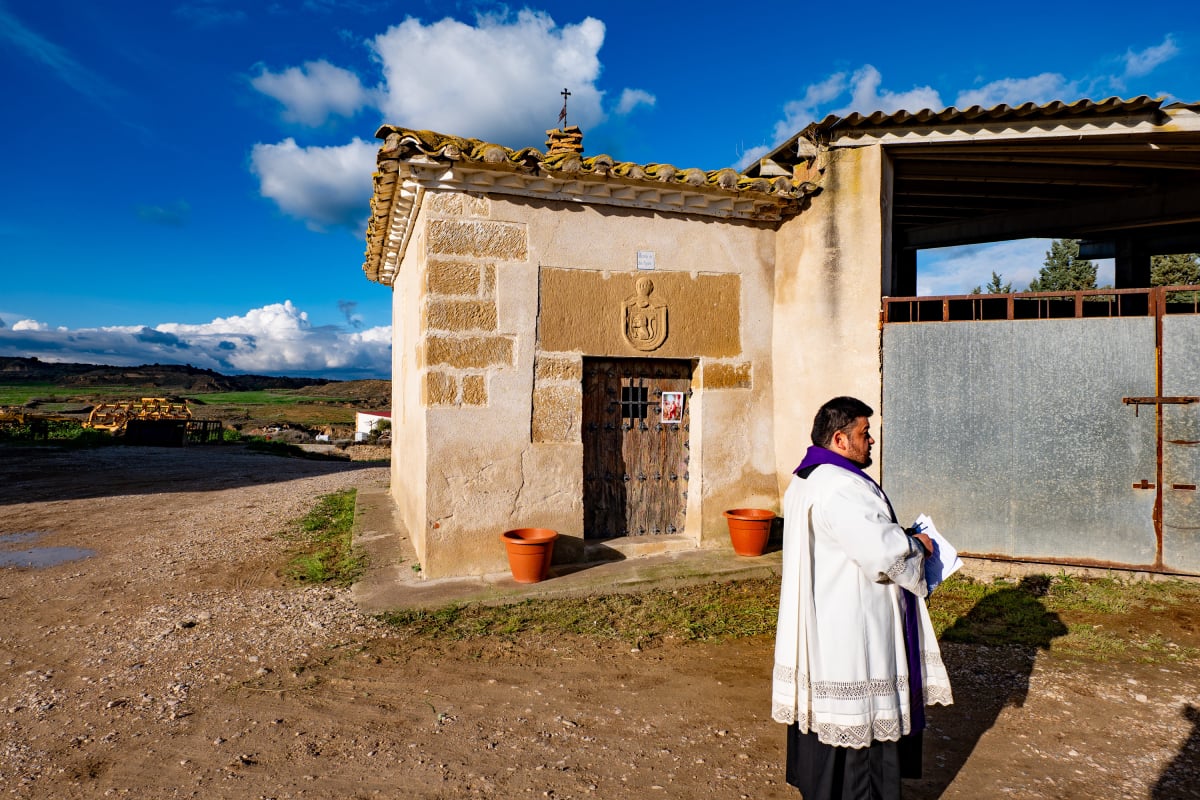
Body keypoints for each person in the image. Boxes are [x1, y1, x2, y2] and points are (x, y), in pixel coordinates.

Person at [772, 396, 953, 799]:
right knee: (862, 732)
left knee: (829, 723)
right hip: (854, 628)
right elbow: (883, 554)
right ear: (840, 438)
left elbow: (858, 538)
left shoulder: (807, 479)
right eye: (864, 434)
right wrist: (919, 544)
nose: (871, 442)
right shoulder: (841, 486)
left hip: (827, 619)